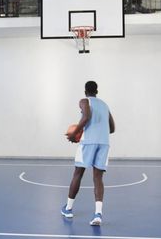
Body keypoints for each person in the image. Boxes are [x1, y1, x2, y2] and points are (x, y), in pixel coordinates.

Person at [61, 81, 115, 226]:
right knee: (98, 178)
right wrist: (100, 130)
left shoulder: (84, 101)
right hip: (104, 142)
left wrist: (75, 133)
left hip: (89, 142)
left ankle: (68, 208)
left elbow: (86, 117)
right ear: (97, 91)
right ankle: (98, 214)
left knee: (78, 173)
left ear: (85, 91)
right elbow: (112, 128)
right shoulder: (105, 105)